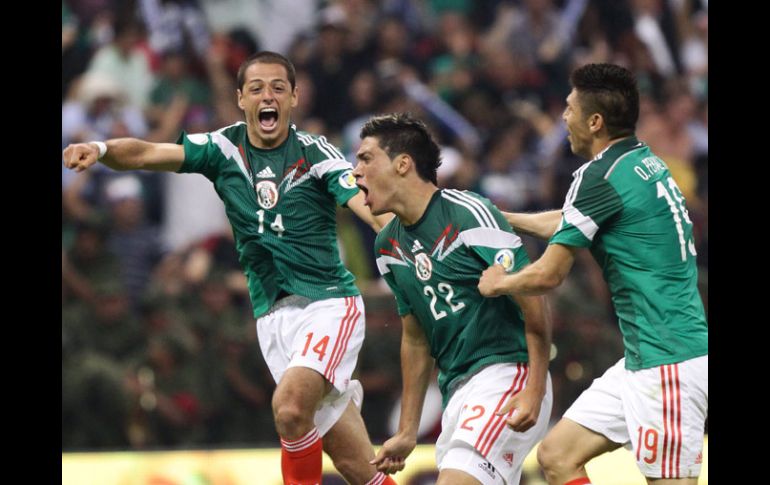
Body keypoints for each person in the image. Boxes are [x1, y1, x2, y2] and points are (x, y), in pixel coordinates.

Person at [63, 51, 398, 485]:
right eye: (257, 88)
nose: (268, 96)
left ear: (294, 97)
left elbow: (363, 202)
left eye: (278, 87)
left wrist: (396, 232)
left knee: (290, 407)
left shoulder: (316, 152)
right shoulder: (222, 148)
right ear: (241, 98)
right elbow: (147, 152)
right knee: (358, 467)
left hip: (327, 304)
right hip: (272, 318)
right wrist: (101, 148)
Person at [478, 63, 708, 485]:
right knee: (557, 455)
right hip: (647, 357)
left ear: (595, 121)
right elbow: (572, 221)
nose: (563, 118)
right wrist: (503, 218)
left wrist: (500, 284)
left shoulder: (598, 176)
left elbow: (549, 275)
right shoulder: (642, 163)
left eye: (569, 109)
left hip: (668, 363)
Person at [352, 113, 553, 485]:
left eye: (365, 159)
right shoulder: (387, 247)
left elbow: (533, 299)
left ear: (402, 164)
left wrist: (535, 388)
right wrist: (408, 429)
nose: (356, 172)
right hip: (456, 391)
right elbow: (415, 337)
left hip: (508, 374)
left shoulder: (468, 212)